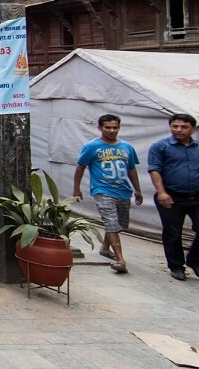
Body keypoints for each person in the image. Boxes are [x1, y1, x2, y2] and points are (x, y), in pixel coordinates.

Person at [73, 114, 143, 274]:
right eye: (107, 127)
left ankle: (105, 247)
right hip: (102, 190)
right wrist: (76, 188)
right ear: (100, 128)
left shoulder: (127, 147)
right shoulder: (92, 147)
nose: (112, 131)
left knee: (119, 224)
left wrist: (137, 189)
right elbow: (80, 168)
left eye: (115, 127)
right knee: (111, 222)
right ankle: (120, 260)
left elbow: (131, 169)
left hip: (123, 191)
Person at [147, 113, 199, 281]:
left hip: (196, 196)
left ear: (193, 128)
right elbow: (155, 169)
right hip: (170, 196)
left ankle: (194, 260)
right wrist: (161, 192)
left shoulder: (198, 147)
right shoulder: (160, 146)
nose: (179, 130)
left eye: (184, 127)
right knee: (173, 233)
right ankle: (176, 266)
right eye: (175, 126)